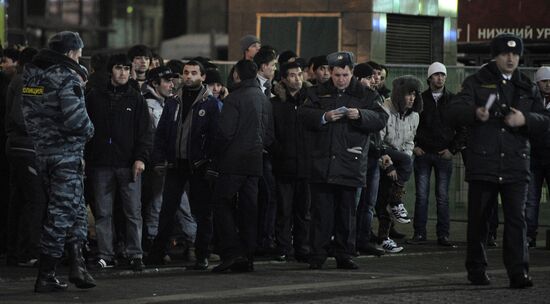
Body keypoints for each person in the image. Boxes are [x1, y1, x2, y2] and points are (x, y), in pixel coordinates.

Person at [445, 33, 549, 288]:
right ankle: (477, 269)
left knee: (517, 220)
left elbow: (545, 120)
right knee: (479, 220)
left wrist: (525, 119)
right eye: (505, 53)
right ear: (495, 56)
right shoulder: (476, 82)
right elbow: (454, 110)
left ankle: (518, 272)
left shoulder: (526, 86)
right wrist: (474, 112)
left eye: (515, 54)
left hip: (515, 163)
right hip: (484, 163)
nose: (511, 58)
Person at [21, 31, 95, 292]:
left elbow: (29, 117)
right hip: (67, 154)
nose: (80, 57)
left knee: (74, 210)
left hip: (43, 153)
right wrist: (90, 131)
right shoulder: (66, 78)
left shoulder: (31, 78)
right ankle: (46, 275)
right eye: (78, 53)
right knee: (61, 215)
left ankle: (78, 266)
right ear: (70, 53)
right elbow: (78, 122)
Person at [299, 52, 388, 270]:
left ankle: (344, 254)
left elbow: (381, 118)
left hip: (350, 162)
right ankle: (317, 254)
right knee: (321, 213)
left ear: (352, 73)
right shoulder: (317, 92)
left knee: (346, 213)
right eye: (337, 75)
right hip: (323, 162)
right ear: (330, 73)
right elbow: (302, 115)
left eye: (345, 75)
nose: (341, 79)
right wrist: (324, 117)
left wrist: (360, 115)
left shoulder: (365, 94)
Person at [147, 60, 219, 270]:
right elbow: (161, 134)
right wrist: (160, 159)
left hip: (199, 165)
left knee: (202, 211)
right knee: (167, 210)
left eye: (194, 73)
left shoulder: (210, 104)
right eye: (186, 72)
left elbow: (216, 138)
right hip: (175, 164)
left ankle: (202, 254)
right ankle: (158, 253)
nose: (189, 76)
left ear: (202, 76)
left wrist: (211, 164)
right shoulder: (173, 101)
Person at [85, 53, 152, 271]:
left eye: (126, 68)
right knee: (103, 212)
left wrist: (140, 158)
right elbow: (86, 129)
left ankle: (135, 254)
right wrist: (86, 157)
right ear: (110, 70)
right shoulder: (94, 96)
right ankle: (106, 254)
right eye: (118, 68)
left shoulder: (136, 98)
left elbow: (145, 133)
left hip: (128, 163)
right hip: (101, 163)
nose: (122, 72)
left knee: (133, 211)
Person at [211, 59, 270, 273]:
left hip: (233, 161)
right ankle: (248, 255)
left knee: (221, 203)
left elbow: (225, 133)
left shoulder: (234, 99)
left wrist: (216, 154)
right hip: (255, 162)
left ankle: (231, 253)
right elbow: (269, 134)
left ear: (236, 75)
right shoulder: (263, 99)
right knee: (248, 209)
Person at [410, 62, 466, 247]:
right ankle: (419, 233)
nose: (440, 78)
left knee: (442, 197)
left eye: (443, 74)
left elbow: (462, 128)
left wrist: (453, 150)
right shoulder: (420, 99)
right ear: (429, 78)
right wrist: (414, 146)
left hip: (443, 154)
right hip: (423, 153)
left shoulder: (452, 100)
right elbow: (411, 124)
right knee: (422, 195)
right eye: (436, 75)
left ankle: (443, 235)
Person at [5, 47, 44, 268]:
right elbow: (22, 116)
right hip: (26, 148)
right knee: (35, 199)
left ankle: (14, 252)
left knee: (18, 199)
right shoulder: (27, 83)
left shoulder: (18, 80)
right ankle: (27, 251)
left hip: (16, 147)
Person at [376, 75, 423, 253]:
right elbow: (378, 141)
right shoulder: (385, 109)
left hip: (399, 161)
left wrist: (400, 166)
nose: (412, 98)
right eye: (408, 94)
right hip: (382, 155)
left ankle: (383, 238)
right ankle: (397, 200)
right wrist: (388, 165)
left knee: (386, 201)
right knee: (379, 199)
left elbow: (410, 142)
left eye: (414, 94)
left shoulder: (414, 116)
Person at [271, 61, 312, 262]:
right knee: (283, 210)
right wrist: (279, 151)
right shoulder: (276, 103)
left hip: (306, 166)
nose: (298, 78)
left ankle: (302, 247)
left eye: (300, 74)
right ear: (285, 79)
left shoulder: (311, 102)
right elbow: (270, 133)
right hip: (283, 165)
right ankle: (283, 246)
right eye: (293, 75)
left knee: (303, 211)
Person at [353, 63, 386, 256]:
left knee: (369, 202)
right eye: (370, 77)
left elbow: (379, 123)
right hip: (358, 156)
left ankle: (363, 239)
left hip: (373, 155)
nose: (374, 80)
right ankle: (351, 240)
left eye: (376, 77)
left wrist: (381, 152)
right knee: (355, 202)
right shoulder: (355, 97)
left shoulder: (374, 97)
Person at [525, 66, 550, 248]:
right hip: (534, 157)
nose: (548, 85)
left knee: (532, 199)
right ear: (537, 82)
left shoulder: (532, 102)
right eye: (544, 81)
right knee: (531, 200)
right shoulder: (530, 101)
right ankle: (529, 236)